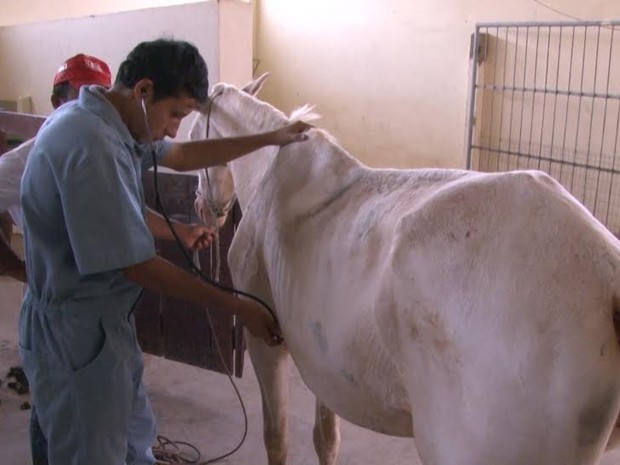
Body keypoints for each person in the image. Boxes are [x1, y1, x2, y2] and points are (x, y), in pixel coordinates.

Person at [18, 38, 310, 465]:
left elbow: (183, 153)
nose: (174, 128)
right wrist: (236, 307)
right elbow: (137, 265)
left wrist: (270, 137)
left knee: (133, 443)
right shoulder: (89, 144)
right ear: (143, 91)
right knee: (89, 450)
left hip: (104, 327)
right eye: (174, 113)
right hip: (74, 332)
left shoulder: (110, 122)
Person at [0, 53, 113, 465]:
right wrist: (16, 268)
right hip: (53, 309)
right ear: (55, 99)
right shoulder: (35, 154)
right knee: (55, 414)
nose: (85, 105)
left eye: (96, 95)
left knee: (84, 417)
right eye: (76, 96)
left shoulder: (104, 149)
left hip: (95, 311)